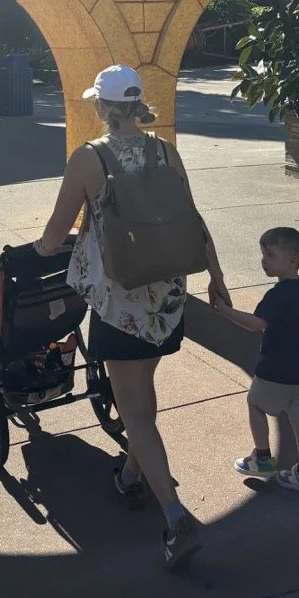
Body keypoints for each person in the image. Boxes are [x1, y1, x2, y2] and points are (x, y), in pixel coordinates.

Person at [36, 64, 231, 571]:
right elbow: (193, 217)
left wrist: (35, 251)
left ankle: (175, 518)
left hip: (120, 304)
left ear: (101, 107)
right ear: (139, 104)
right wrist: (217, 276)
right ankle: (129, 476)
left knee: (136, 411)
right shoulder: (166, 150)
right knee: (142, 396)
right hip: (166, 298)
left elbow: (57, 234)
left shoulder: (88, 158)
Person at [211, 226, 299, 497]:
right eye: (263, 254)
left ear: (293, 260)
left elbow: (256, 324)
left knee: (255, 404)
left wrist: (225, 311)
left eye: (271, 255)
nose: (264, 260)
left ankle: (261, 459)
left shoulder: (278, 295)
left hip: (277, 369)